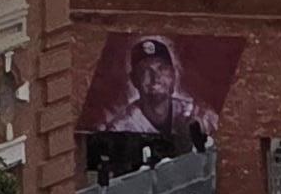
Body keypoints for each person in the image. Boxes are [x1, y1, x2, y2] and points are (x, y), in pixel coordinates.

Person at [85, 33, 216, 154]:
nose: (155, 77)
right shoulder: (121, 128)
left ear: (173, 75)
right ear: (134, 79)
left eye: (162, 68)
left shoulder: (197, 113)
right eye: (145, 71)